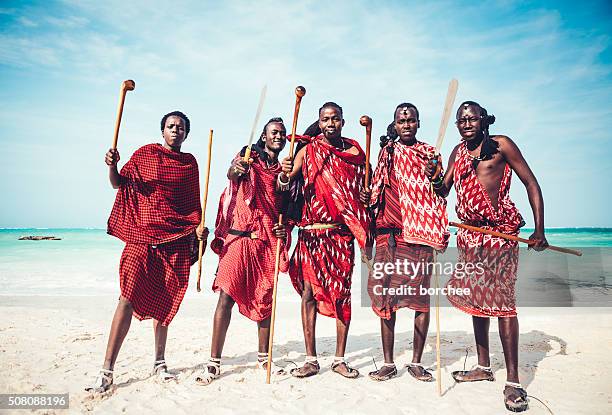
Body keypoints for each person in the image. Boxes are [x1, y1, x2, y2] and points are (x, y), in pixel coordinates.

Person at [426, 101, 548, 412]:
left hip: (500, 233)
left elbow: (531, 183)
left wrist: (539, 230)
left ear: (483, 120)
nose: (467, 122)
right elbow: (443, 190)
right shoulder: (456, 152)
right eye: (461, 119)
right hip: (469, 233)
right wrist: (434, 175)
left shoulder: (502, 145)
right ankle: (483, 366)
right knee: (477, 299)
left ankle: (514, 382)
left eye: (472, 117)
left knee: (503, 303)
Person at [85, 111, 208, 393]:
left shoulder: (190, 164)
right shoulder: (145, 155)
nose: (175, 130)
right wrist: (112, 166)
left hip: (174, 241)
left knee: (165, 303)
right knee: (126, 298)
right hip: (141, 238)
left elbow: (191, 208)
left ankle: (159, 363)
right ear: (162, 130)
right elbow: (119, 184)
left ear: (187, 134)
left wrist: (198, 231)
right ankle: (107, 370)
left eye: (180, 127)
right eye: (170, 126)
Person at [195, 118, 290, 385]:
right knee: (225, 296)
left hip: (266, 240)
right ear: (264, 135)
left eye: (282, 134)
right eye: (274, 133)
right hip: (239, 236)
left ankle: (264, 357)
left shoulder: (283, 169)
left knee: (265, 297)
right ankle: (214, 361)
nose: (279, 137)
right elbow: (232, 174)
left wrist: (284, 229)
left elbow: (286, 207)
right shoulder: (248, 157)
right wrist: (237, 168)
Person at [280, 102, 371, 379]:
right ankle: (311, 359)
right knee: (309, 294)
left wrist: (365, 199)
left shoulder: (354, 154)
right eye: (325, 120)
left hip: (341, 235)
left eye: (335, 119)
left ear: (342, 122)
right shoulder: (308, 151)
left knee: (341, 295)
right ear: (319, 123)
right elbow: (286, 181)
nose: (330, 124)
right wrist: (284, 172)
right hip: (311, 233)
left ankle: (340, 359)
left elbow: (362, 191)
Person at [361, 103, 449, 382]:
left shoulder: (429, 154)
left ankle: (416, 362)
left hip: (419, 237)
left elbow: (439, 194)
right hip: (389, 236)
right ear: (395, 125)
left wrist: (434, 175)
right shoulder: (387, 152)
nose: (407, 125)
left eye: (411, 120)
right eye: (402, 121)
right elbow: (376, 191)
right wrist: (368, 199)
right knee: (385, 296)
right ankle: (388, 362)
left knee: (420, 301)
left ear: (418, 123)